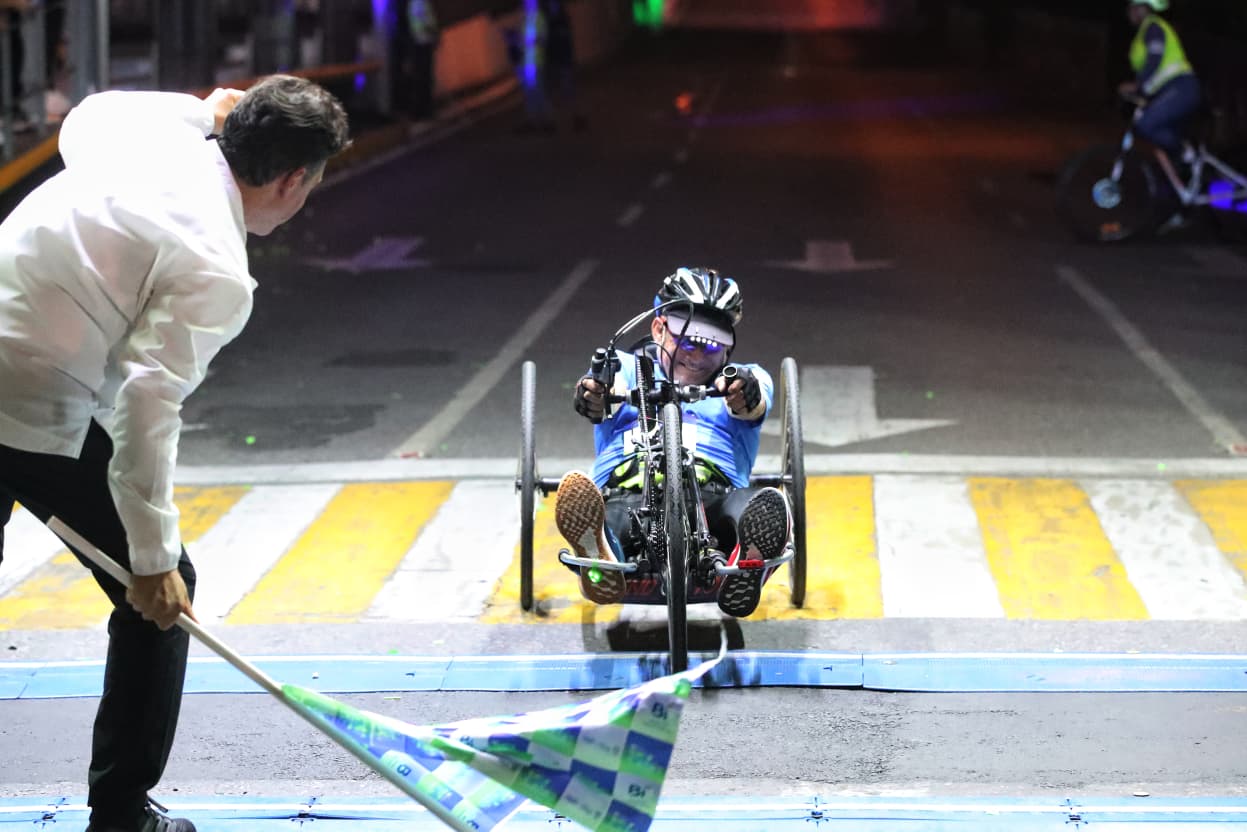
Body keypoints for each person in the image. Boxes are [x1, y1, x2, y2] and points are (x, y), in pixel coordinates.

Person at [0, 75, 349, 832]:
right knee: (162, 599)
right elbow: (145, 408)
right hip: (27, 402)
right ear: (292, 180)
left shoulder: (158, 137)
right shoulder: (217, 266)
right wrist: (154, 561)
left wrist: (198, 109)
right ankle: (122, 813)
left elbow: (84, 119)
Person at [556, 267, 791, 619]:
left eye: (711, 344)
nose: (697, 355)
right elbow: (592, 388)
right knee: (612, 516)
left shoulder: (747, 376)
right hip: (627, 490)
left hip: (714, 493)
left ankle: (747, 562)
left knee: (753, 504)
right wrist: (593, 394)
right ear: (658, 328)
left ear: (728, 347)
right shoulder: (622, 367)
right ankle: (603, 554)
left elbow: (755, 401)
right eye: (687, 339)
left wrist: (744, 393)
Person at [1118, 0, 1201, 187]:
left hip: (1182, 88)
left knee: (1147, 124)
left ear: (1141, 9)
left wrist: (1137, 87)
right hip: (1169, 91)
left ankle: (1187, 154)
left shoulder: (1153, 27)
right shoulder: (1142, 34)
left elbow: (1154, 63)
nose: (1128, 13)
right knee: (1162, 149)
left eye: (1131, 8)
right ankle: (1183, 191)